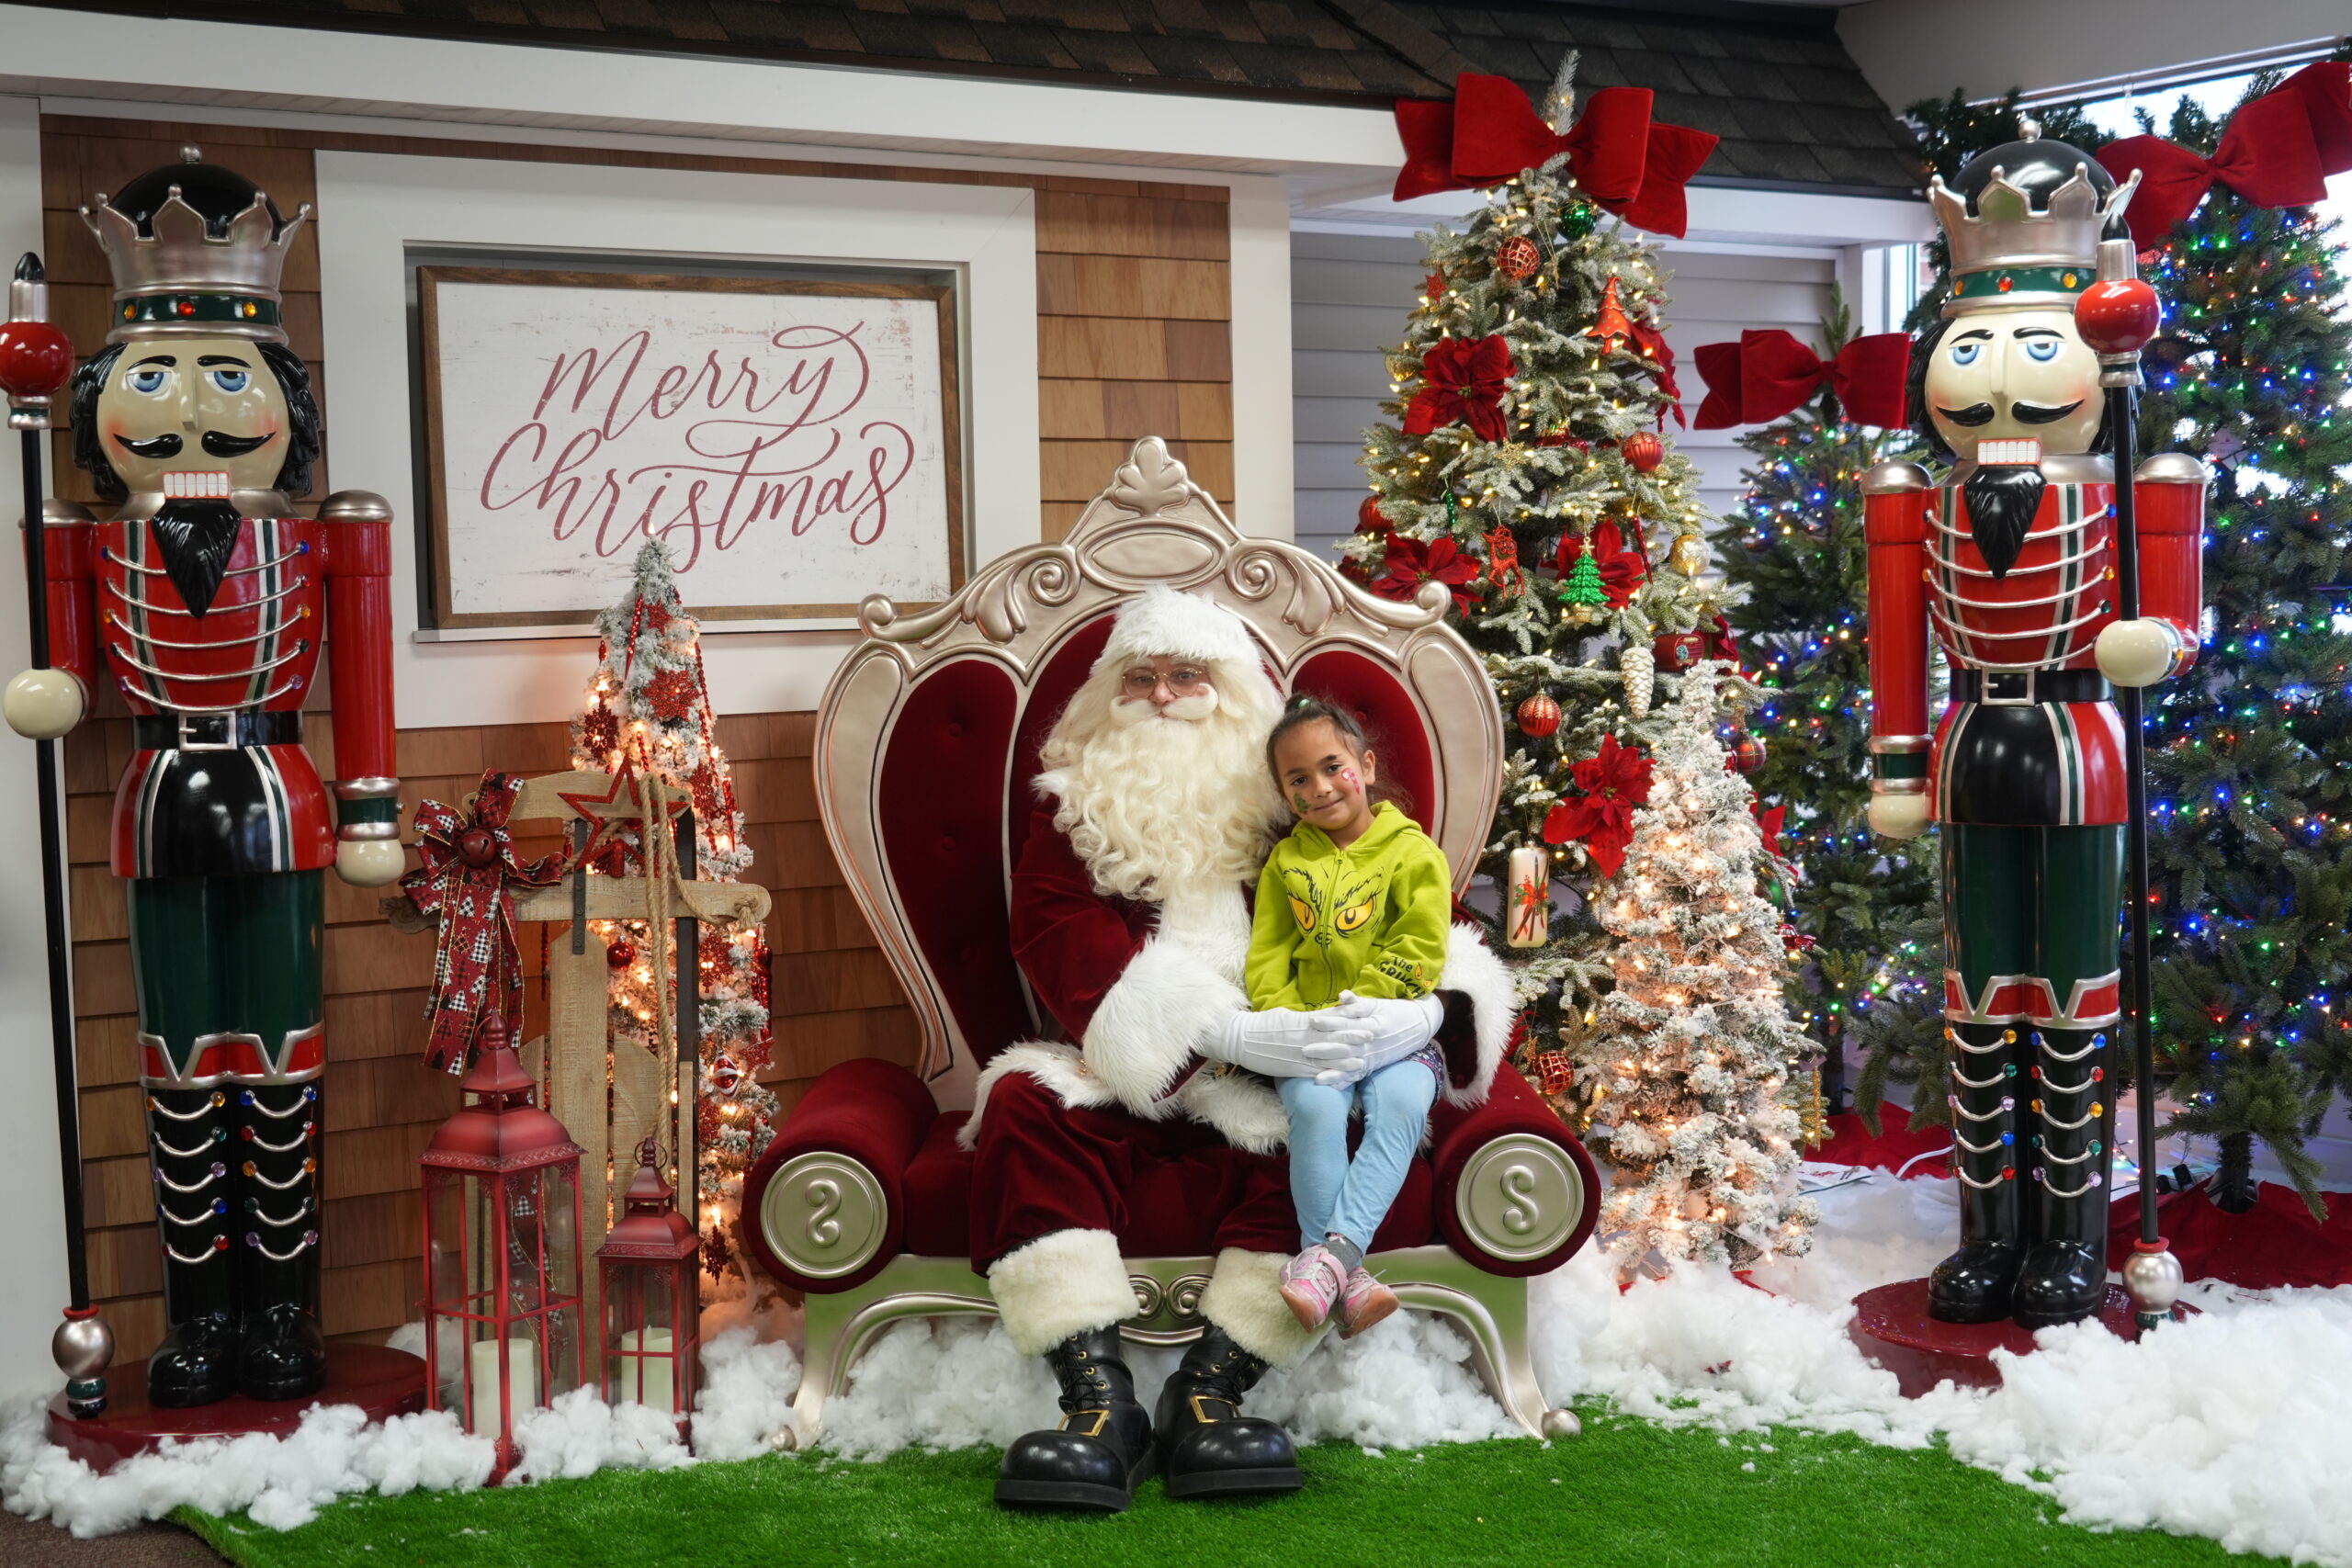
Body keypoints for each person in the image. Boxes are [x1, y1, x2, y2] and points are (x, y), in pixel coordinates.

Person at [1, 149, 404, 1406]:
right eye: (154, 376)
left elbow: (365, 678)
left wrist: (373, 805)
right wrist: (54, 686)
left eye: (228, 375)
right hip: (160, 800)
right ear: (99, 402)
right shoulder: (81, 534)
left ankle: (284, 1309)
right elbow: (70, 672)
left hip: (281, 796)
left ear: (284, 400)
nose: (189, 408)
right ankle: (200, 1314)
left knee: (282, 1053)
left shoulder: (333, 531)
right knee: (179, 1060)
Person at [969, 586, 1514, 1512]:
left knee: (1336, 1122)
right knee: (1024, 1107)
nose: (1163, 694)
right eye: (1140, 677)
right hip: (1124, 1073)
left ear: (1232, 692)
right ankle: (1099, 1405)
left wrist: (1425, 1014)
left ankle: (1212, 1391)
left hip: (1281, 1077)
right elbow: (1052, 927)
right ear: (1108, 693)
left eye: (1188, 675)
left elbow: (1429, 916)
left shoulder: (1295, 796)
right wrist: (1212, 1028)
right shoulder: (1073, 804)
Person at [1863, 126, 2203, 1327]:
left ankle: (2069, 1240)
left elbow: (2178, 625)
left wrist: (2156, 645)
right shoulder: (1914, 498)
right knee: (1977, 999)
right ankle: (1987, 1234)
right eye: (1973, 345)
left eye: (2035, 342)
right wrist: (1897, 762)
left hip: (2080, 755)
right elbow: (1897, 642)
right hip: (1969, 749)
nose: (1999, 376)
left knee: (2071, 1000)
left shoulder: (2138, 482)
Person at [1250, 696, 1450, 1339]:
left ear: (1365, 765)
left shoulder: (1413, 853)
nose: (1319, 787)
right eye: (1298, 778)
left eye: (1332, 767)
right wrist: (1291, 1022)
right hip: (1310, 1039)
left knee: (1404, 1101)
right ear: (1284, 792)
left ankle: (1325, 1262)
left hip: (1391, 1032)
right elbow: (1268, 954)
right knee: (1314, 1109)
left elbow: (1420, 947)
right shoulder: (1287, 863)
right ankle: (1347, 1276)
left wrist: (1361, 1013)